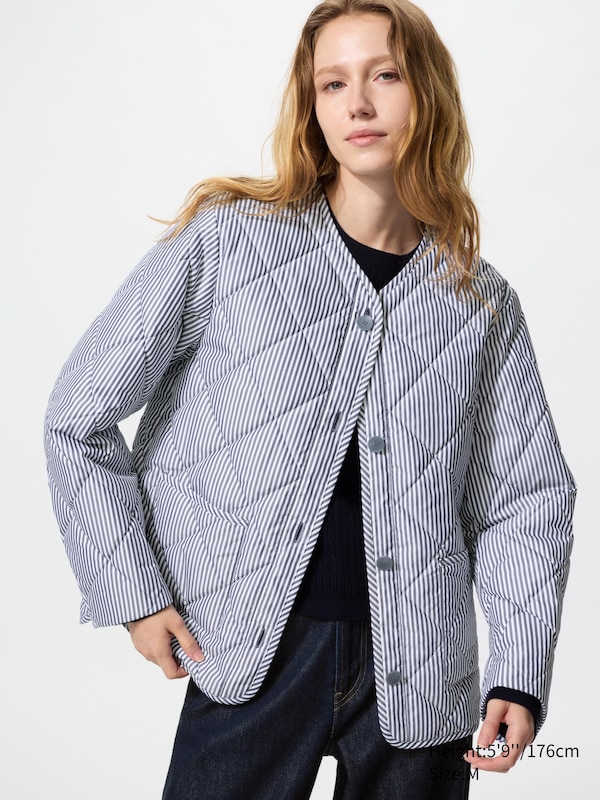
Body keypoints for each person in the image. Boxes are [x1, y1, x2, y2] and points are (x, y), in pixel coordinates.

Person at [44, 1, 576, 798]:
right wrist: (135, 593)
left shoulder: (480, 302)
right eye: (333, 83)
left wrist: (519, 672)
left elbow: (528, 498)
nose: (357, 104)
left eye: (384, 76)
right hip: (251, 660)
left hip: (424, 675)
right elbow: (76, 418)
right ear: (313, 105)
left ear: (427, 93)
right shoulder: (228, 242)